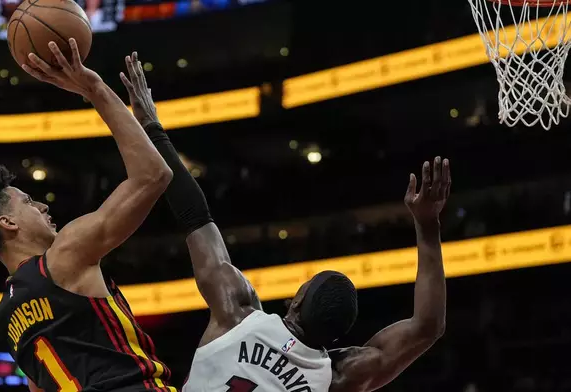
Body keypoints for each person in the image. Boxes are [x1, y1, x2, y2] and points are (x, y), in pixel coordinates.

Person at [121, 59, 449, 392]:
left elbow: (194, 214)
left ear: (296, 300)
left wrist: (151, 125)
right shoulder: (339, 376)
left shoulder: (235, 309)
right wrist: (428, 224)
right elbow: (427, 326)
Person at [0, 42, 177, 392]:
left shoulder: (4, 319)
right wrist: (94, 88)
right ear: (8, 223)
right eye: (29, 202)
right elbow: (154, 175)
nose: (44, 207)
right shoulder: (64, 256)